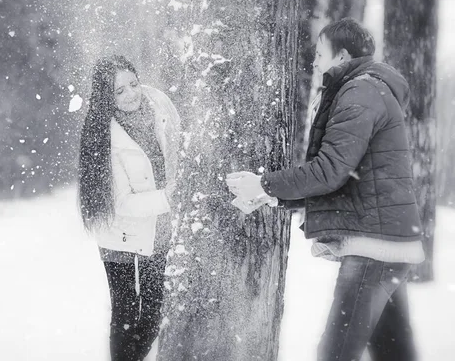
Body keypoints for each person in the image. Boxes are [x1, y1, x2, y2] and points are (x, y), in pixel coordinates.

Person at [226, 18, 424, 361]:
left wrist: (264, 182)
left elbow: (330, 170)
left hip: (373, 246)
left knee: (336, 352)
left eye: (320, 54)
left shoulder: (360, 90)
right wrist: (270, 195)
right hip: (386, 241)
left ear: (342, 55)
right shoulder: (368, 88)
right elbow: (346, 175)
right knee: (393, 352)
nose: (314, 62)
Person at [78, 55, 180, 361]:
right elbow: (121, 203)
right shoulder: (104, 134)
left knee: (152, 311)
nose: (131, 94)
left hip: (156, 226)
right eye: (119, 91)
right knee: (125, 309)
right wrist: (167, 197)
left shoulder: (158, 108)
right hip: (118, 229)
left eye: (133, 83)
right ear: (107, 97)